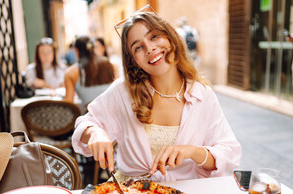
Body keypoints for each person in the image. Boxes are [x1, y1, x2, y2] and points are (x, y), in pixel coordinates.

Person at [71, 8, 241, 182]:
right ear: (134, 61)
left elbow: (229, 154)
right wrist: (95, 133)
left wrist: (193, 151)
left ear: (171, 38)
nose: (150, 48)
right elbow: (84, 123)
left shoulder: (202, 95)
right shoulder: (123, 91)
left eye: (153, 36)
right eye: (137, 47)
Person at [64, 35, 114, 112]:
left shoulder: (71, 72)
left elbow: (68, 104)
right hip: (115, 113)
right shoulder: (110, 65)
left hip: (92, 118)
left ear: (76, 51)